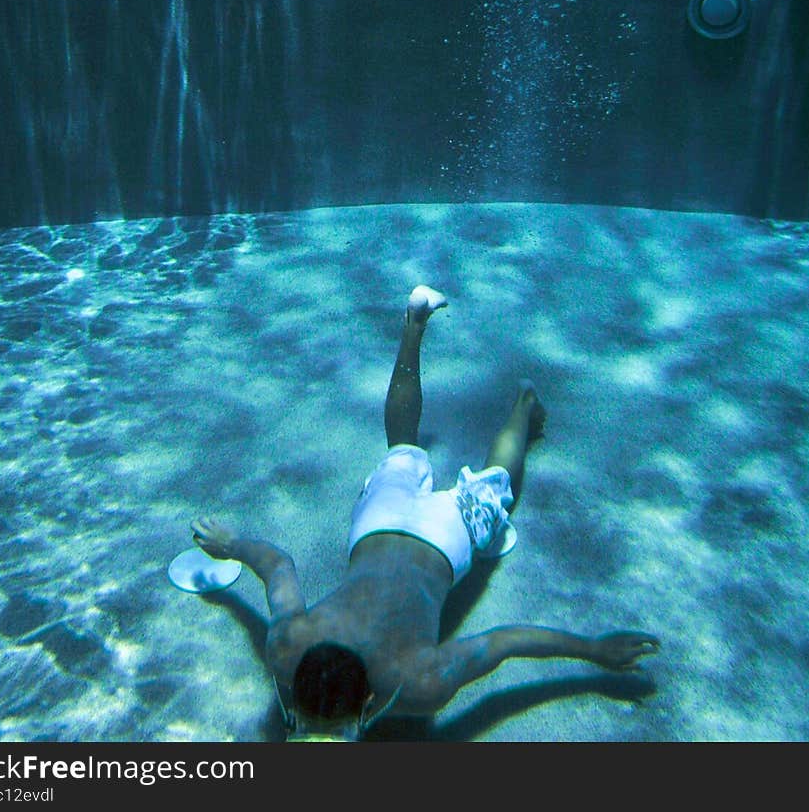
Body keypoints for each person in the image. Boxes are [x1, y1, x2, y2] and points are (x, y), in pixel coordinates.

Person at [192, 284, 659, 742]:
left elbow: (504, 643)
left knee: (500, 483)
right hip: (380, 521)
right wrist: (230, 545)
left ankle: (524, 407)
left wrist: (594, 651)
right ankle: (415, 319)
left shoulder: (419, 684)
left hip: (444, 538)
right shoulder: (288, 644)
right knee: (401, 444)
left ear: (368, 705)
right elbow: (277, 564)